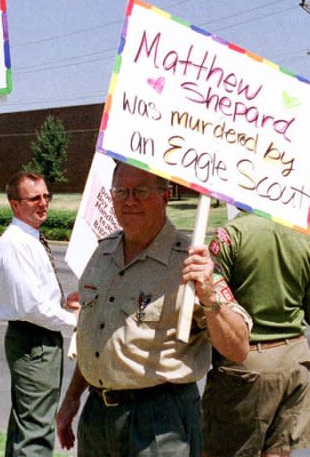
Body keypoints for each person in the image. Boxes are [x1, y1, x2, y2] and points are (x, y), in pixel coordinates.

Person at [55, 162, 252, 457]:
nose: (129, 200)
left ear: (165, 196)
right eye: (121, 191)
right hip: (98, 417)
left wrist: (209, 297)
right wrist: (72, 397)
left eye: (140, 191)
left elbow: (238, 348)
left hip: (159, 422)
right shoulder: (102, 253)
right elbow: (97, 337)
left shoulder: (191, 262)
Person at [201, 211, 310, 457]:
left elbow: (212, 294)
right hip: (294, 362)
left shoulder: (230, 236)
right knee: (278, 451)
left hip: (245, 365)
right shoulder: (307, 240)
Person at [0, 171, 79, 457]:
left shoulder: (29, 238)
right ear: (15, 204)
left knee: (26, 426)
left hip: (36, 339)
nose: (43, 203)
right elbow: (33, 307)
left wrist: (64, 302)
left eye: (46, 196)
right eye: (34, 198)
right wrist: (74, 320)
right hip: (35, 342)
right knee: (36, 434)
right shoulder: (16, 243)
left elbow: (37, 295)